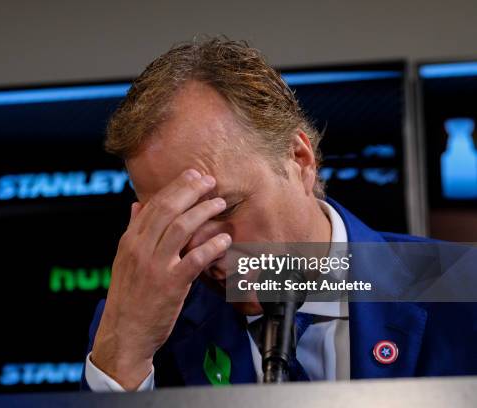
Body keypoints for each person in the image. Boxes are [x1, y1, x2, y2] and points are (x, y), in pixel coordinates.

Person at [80, 37, 477, 391]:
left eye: (226, 208)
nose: (205, 249)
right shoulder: (136, 328)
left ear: (299, 160)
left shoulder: (463, 286)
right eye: (176, 222)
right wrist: (124, 356)